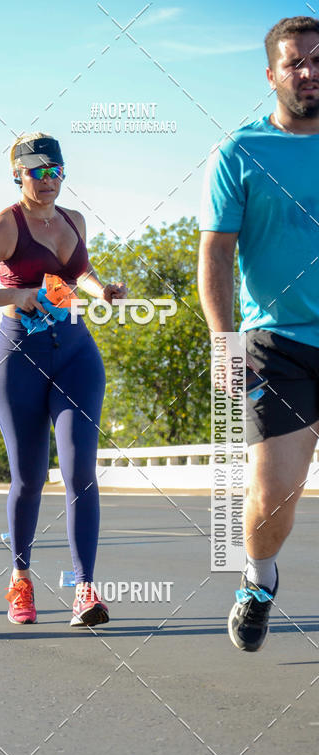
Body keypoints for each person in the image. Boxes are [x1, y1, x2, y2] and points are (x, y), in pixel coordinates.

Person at [0, 132, 126, 627]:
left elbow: (80, 272)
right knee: (30, 478)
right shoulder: (4, 227)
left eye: (56, 171)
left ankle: (85, 590)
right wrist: (18, 295)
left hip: (75, 352)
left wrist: (101, 290)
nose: (49, 180)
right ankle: (21, 579)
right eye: (38, 172)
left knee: (79, 475)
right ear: (17, 174)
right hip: (19, 359)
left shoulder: (74, 220)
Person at [198, 16, 319, 651]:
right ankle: (259, 577)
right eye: (295, 62)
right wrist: (225, 343)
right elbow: (216, 256)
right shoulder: (241, 152)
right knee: (273, 497)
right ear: (272, 75)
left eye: (317, 59)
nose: (309, 70)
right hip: (280, 345)